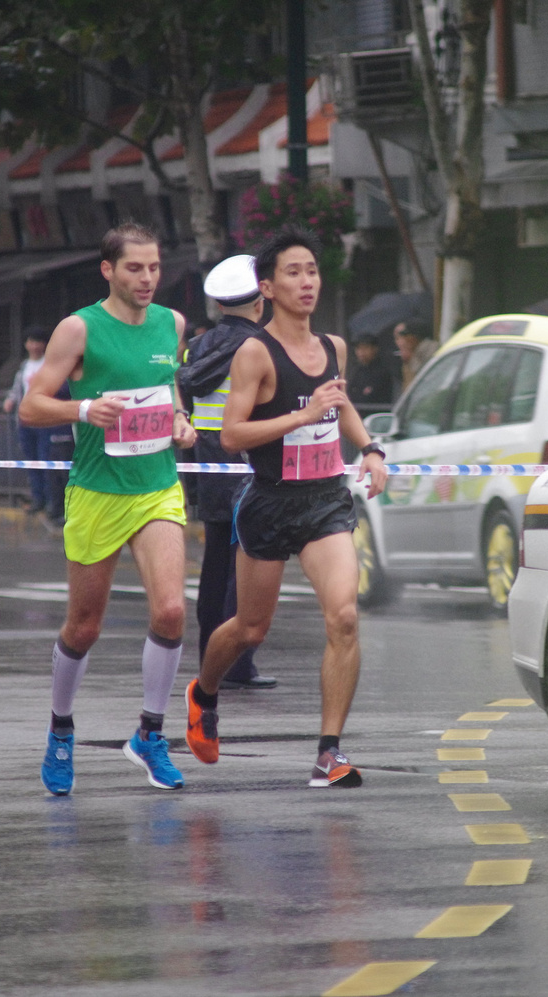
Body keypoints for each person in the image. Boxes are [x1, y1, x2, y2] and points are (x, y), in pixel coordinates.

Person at [184, 225, 388, 788]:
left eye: (312, 271)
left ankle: (329, 753)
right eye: (293, 273)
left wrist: (370, 448)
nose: (307, 282)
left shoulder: (332, 347)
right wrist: (300, 416)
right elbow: (231, 435)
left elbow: (339, 406)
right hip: (269, 502)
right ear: (267, 288)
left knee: (344, 617)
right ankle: (203, 694)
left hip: (325, 502)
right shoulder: (254, 352)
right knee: (250, 629)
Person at [19, 221, 197, 796]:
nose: (147, 279)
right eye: (134, 269)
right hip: (97, 490)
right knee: (84, 625)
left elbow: (167, 390)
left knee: (171, 611)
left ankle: (149, 734)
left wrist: (179, 420)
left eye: (153, 268)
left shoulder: (172, 323)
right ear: (108, 271)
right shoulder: (79, 329)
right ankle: (61, 727)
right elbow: (30, 408)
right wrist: (83, 409)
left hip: (156, 486)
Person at [178, 254, 276, 691]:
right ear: (260, 302)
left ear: (219, 305)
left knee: (215, 563)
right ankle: (237, 663)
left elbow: (191, 412)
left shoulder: (195, 348)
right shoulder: (261, 347)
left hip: (206, 465)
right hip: (250, 465)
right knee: (248, 566)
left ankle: (209, 659)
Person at [3, 326, 54, 515]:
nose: (33, 345)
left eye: (37, 341)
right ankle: (37, 498)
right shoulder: (24, 366)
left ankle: (51, 501)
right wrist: (10, 400)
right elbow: (17, 388)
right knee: (31, 461)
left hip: (44, 421)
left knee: (46, 460)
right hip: (25, 421)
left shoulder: (49, 364)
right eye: (30, 341)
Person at [347, 329, 394, 417]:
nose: (361, 352)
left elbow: (368, 397)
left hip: (376, 417)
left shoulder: (382, 371)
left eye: (365, 347)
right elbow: (349, 394)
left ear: (375, 349)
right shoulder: (357, 370)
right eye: (358, 348)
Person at [393, 319, 437, 395]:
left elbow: (426, 374)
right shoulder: (412, 350)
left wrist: (411, 359)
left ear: (414, 337)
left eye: (406, 336)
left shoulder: (431, 349)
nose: (405, 340)